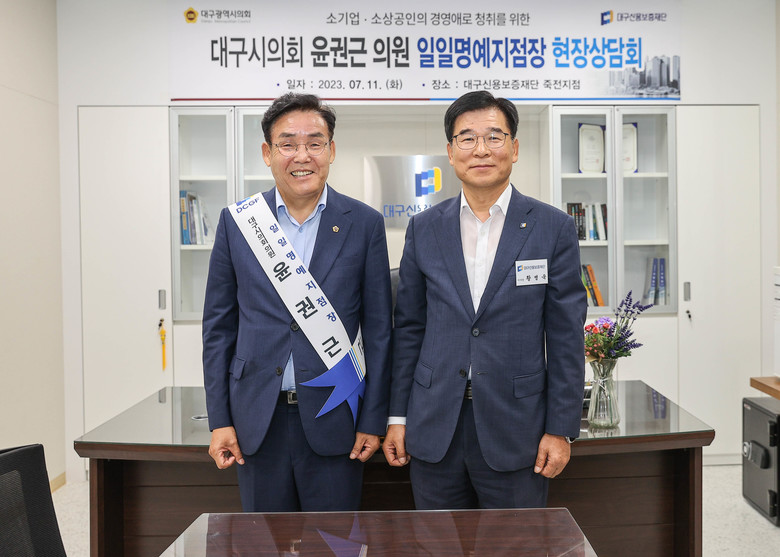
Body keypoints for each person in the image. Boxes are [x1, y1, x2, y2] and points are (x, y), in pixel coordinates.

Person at [382, 90, 587, 509]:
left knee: (516, 541)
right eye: (467, 138)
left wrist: (560, 428)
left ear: (514, 148)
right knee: (436, 540)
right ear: (450, 151)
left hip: (518, 428)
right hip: (434, 423)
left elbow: (566, 336)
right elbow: (409, 330)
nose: (481, 149)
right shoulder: (424, 228)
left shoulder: (553, 228)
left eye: (494, 137)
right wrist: (397, 416)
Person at [202, 93, 392, 512]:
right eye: (287, 144)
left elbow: (380, 331)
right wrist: (220, 420)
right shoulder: (239, 223)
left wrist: (373, 419)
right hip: (256, 418)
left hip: (337, 414)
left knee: (336, 539)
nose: (302, 156)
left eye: (314, 143)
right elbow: (218, 330)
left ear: (331, 150)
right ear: (267, 153)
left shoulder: (364, 224)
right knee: (263, 540)